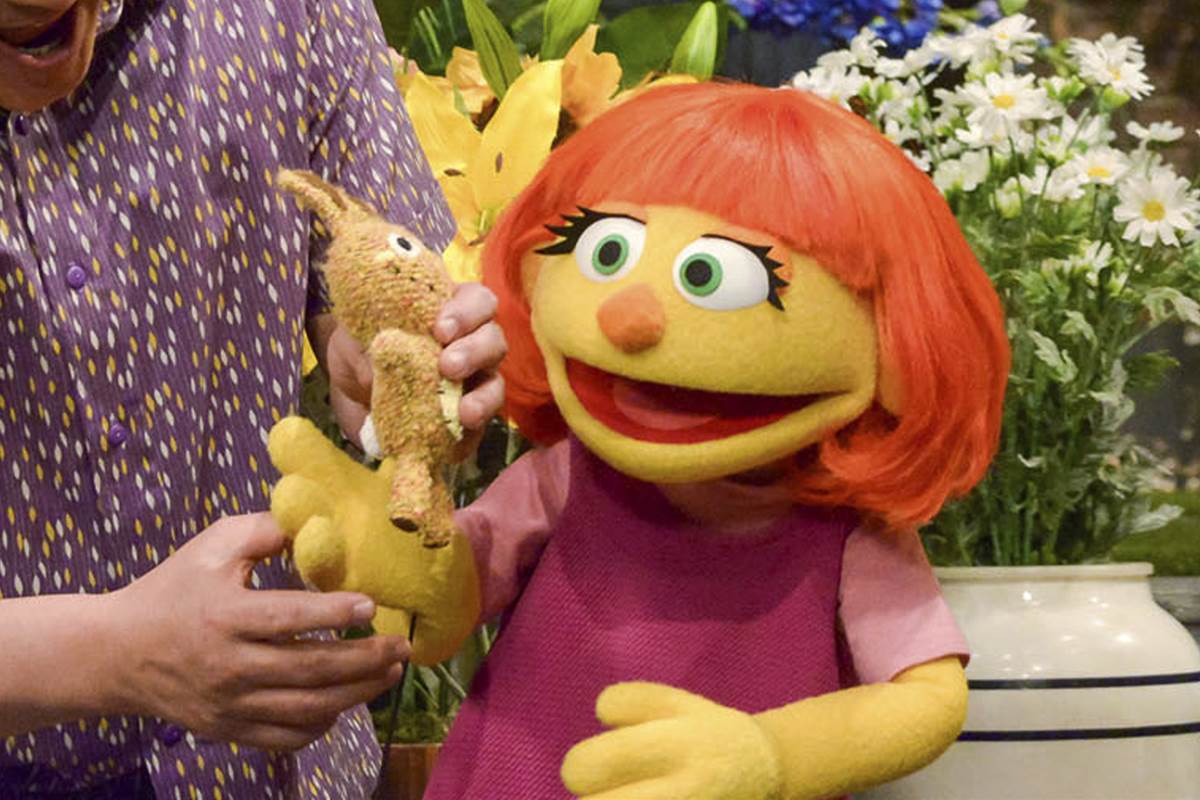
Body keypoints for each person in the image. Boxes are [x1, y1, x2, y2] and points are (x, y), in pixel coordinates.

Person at [0, 0, 505, 797]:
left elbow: (369, 283)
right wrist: (113, 653)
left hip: (289, 768)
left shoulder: (295, 14)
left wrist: (406, 371)